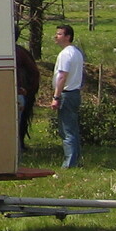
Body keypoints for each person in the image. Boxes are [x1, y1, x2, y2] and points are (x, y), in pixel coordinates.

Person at [46, 24, 84, 168]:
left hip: (67, 94)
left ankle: (69, 163)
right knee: (72, 129)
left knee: (67, 130)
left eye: (59, 34)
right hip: (75, 93)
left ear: (68, 37)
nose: (56, 36)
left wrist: (56, 97)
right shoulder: (76, 52)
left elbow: (62, 76)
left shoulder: (65, 54)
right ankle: (76, 160)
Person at [14, 40, 40, 149]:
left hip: (20, 93)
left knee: (20, 120)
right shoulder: (21, 52)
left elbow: (34, 73)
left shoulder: (19, 53)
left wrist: (28, 90)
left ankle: (19, 146)